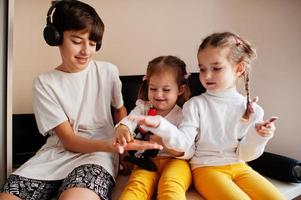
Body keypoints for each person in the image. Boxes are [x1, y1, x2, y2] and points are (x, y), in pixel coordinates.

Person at [0, 1, 161, 200]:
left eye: (92, 44)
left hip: (99, 155)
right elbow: (67, 140)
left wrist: (122, 152)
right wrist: (113, 146)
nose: (86, 51)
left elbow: (120, 111)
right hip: (56, 154)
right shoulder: (44, 83)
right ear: (56, 37)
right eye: (77, 41)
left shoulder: (108, 72)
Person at [131, 32, 285, 200]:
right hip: (206, 168)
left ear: (239, 68)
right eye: (202, 69)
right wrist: (161, 124)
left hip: (240, 166)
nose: (206, 75)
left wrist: (259, 136)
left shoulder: (253, 109)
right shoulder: (195, 105)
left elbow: (245, 155)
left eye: (216, 68)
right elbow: (183, 144)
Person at [115, 55, 192, 200]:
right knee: (136, 186)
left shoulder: (183, 115)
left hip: (177, 162)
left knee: (171, 185)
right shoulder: (142, 107)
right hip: (147, 161)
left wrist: (167, 146)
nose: (158, 94)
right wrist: (123, 127)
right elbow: (130, 120)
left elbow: (188, 149)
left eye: (166, 89)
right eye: (153, 88)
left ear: (180, 89)